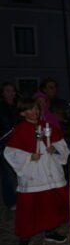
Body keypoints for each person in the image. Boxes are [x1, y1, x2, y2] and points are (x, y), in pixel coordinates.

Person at [4, 97, 70, 245]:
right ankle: (25, 237)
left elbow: (62, 146)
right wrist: (28, 157)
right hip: (32, 173)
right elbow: (10, 152)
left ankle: (50, 231)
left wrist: (55, 149)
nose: (34, 112)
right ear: (22, 113)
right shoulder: (19, 130)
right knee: (29, 206)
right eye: (30, 109)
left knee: (50, 203)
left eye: (36, 109)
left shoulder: (48, 127)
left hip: (50, 170)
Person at [0, 82, 20, 211]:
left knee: (19, 173)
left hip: (17, 143)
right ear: (2, 92)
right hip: (4, 143)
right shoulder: (1, 106)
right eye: (7, 90)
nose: (11, 93)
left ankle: (22, 198)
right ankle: (10, 201)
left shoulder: (17, 106)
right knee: (7, 174)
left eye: (12, 90)